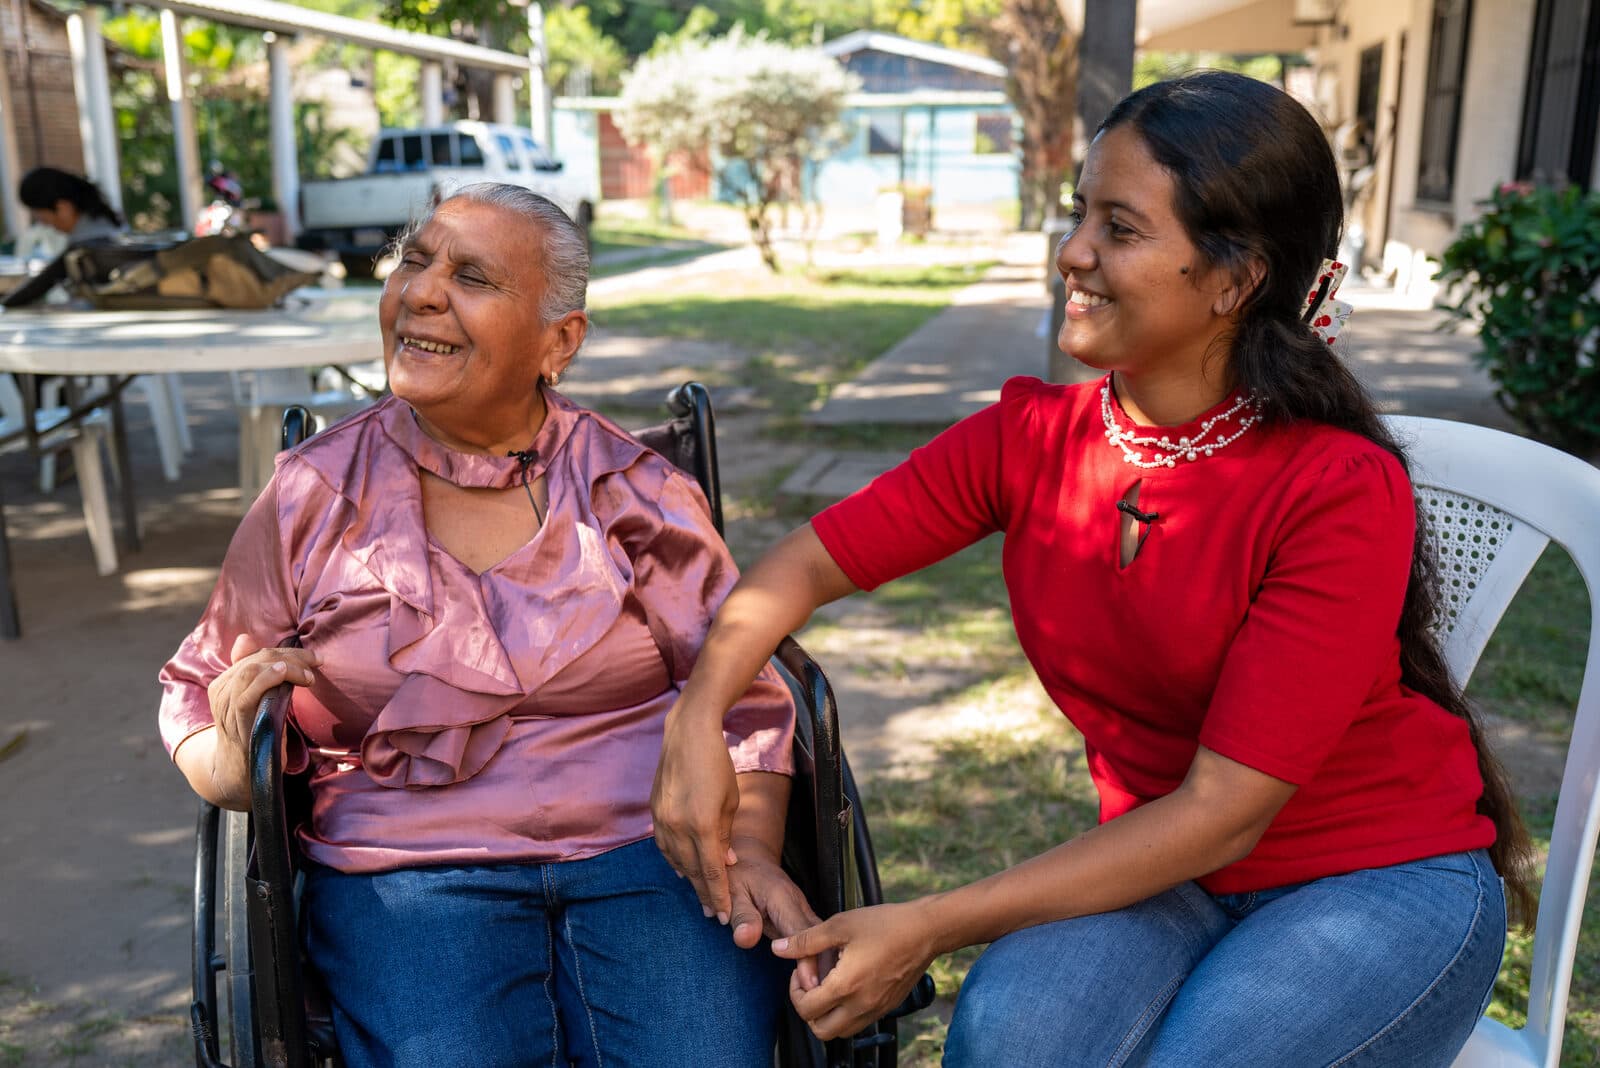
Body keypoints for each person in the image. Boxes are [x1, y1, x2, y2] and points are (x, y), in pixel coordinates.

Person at [650, 71, 1532, 1067]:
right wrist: (698, 717)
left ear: (1233, 279)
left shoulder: (1335, 487)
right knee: (1005, 1041)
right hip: (1161, 873)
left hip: (1379, 879)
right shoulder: (1032, 441)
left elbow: (1220, 816)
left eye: (1119, 227)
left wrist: (929, 922)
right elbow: (800, 569)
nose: (1071, 251)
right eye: (1079, 214)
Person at [158, 183, 811, 1067]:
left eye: (471, 275)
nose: (420, 291)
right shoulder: (314, 494)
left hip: (649, 850)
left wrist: (750, 850)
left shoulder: (636, 492)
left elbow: (747, 700)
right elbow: (199, 691)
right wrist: (236, 764)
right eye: (414, 259)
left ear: (559, 342)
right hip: (406, 871)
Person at [5, 167, 128, 308]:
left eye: (44, 218)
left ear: (63, 207)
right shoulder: (110, 227)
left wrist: (5, 304)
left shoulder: (88, 247)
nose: (46, 225)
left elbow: (38, 286)